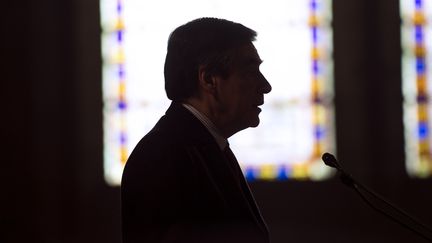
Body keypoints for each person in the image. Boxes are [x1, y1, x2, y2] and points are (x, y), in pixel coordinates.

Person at [121, 17, 272, 243]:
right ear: (209, 80)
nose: (266, 86)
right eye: (250, 72)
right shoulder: (161, 156)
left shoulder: (206, 145)